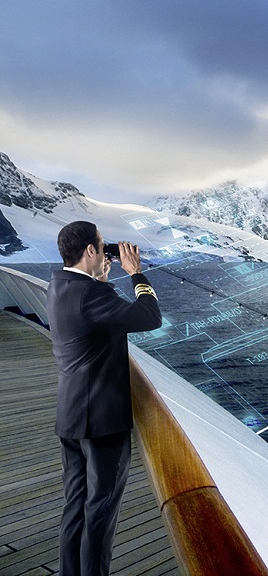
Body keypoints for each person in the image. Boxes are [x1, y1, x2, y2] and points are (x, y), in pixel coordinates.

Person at [46, 221, 161, 576]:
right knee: (100, 511)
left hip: (70, 416)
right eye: (101, 245)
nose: (106, 250)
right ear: (91, 251)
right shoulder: (91, 295)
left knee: (76, 507)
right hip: (102, 422)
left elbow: (91, 320)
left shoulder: (59, 284)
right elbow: (149, 317)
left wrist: (102, 282)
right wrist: (136, 274)